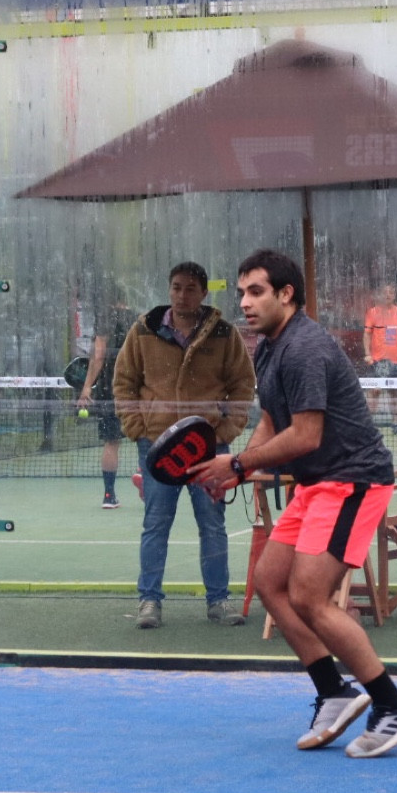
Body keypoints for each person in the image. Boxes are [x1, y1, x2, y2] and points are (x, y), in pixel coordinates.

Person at [190, 249, 397, 759]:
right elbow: (273, 422)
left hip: (353, 480)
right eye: (241, 292)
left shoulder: (304, 349)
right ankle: (334, 692)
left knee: (309, 595)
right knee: (270, 581)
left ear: (286, 294)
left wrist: (236, 463)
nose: (245, 302)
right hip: (316, 483)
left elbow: (306, 435)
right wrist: (241, 468)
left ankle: (394, 705)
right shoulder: (268, 348)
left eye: (256, 292)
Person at [113, 262, 256, 629]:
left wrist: (225, 432)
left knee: (212, 525)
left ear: (203, 293)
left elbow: (243, 384)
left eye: (190, 288)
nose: (182, 295)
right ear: (169, 289)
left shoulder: (224, 334)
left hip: (209, 451)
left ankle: (218, 601)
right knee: (156, 524)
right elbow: (124, 382)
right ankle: (149, 602)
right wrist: (138, 429)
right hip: (156, 448)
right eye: (176, 287)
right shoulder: (142, 331)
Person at [78, 299, 132, 509]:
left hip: (111, 390)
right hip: (136, 388)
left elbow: (99, 355)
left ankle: (109, 495)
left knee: (111, 442)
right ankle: (150, 490)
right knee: (146, 440)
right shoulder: (139, 319)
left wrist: (86, 387)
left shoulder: (106, 320)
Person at [362, 283, 397, 434]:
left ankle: (395, 424)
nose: (388, 295)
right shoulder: (373, 312)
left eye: (391, 292)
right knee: (375, 391)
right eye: (385, 292)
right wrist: (367, 353)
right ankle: (368, 425)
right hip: (378, 360)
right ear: (380, 295)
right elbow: (367, 334)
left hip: (395, 361)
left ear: (394, 295)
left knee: (394, 392)